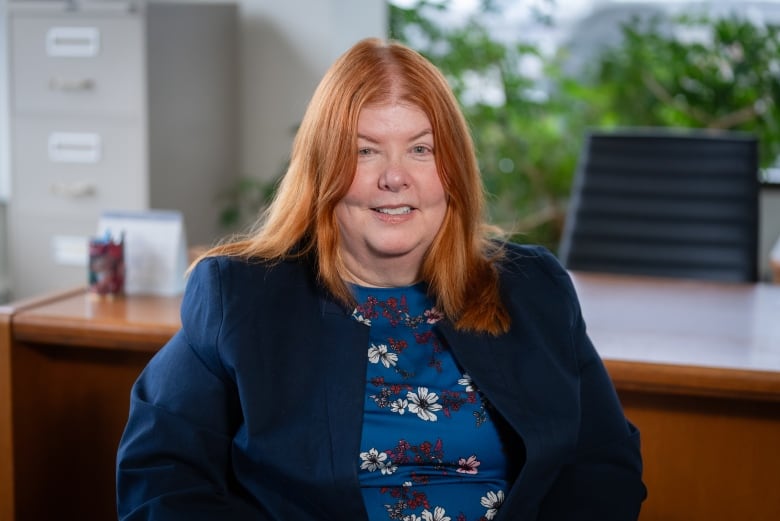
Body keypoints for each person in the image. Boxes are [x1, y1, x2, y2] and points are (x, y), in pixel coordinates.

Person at [116, 37, 646, 520]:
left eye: (421, 149)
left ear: (453, 170)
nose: (396, 177)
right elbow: (160, 481)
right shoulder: (240, 296)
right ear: (324, 169)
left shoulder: (534, 288)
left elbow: (604, 466)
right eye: (365, 151)